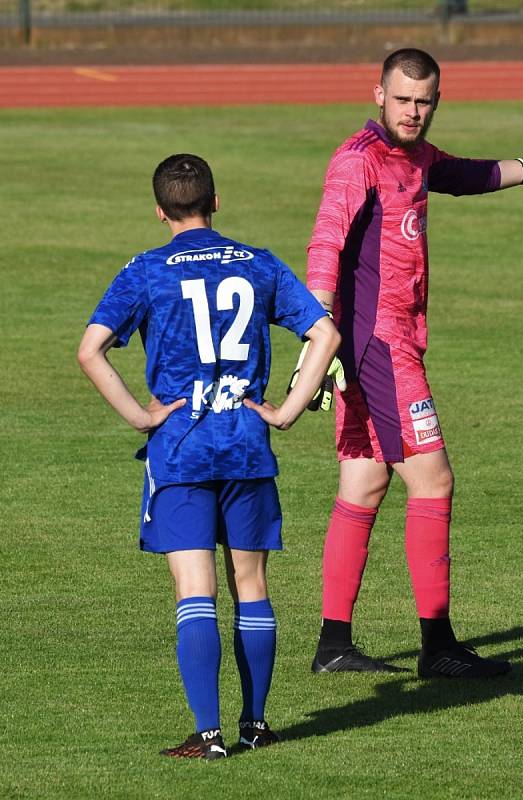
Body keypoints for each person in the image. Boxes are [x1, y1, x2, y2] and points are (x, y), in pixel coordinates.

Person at [298, 48, 523, 678]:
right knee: (433, 481)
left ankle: (333, 644)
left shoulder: (415, 156)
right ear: (378, 94)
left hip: (383, 344)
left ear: (437, 100)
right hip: (377, 345)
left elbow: (467, 174)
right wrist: (317, 337)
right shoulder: (358, 159)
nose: (413, 111)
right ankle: (437, 647)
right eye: (403, 99)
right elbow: (325, 245)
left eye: (424, 101)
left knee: (365, 481)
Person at [78, 154, 340, 759]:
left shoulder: (146, 270)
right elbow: (324, 334)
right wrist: (287, 410)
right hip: (247, 446)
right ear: (216, 202)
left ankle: (209, 734)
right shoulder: (259, 262)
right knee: (250, 585)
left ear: (159, 210)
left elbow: (91, 351)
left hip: (182, 454)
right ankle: (255, 725)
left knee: (195, 591)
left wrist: (144, 417)